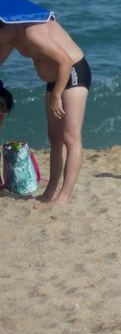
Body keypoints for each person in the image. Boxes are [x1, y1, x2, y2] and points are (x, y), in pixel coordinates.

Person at [0, 16, 90, 205]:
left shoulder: (31, 32)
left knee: (70, 137)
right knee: (54, 137)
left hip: (72, 72)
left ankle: (64, 196)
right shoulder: (11, 36)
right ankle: (50, 193)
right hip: (55, 79)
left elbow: (64, 61)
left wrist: (56, 96)